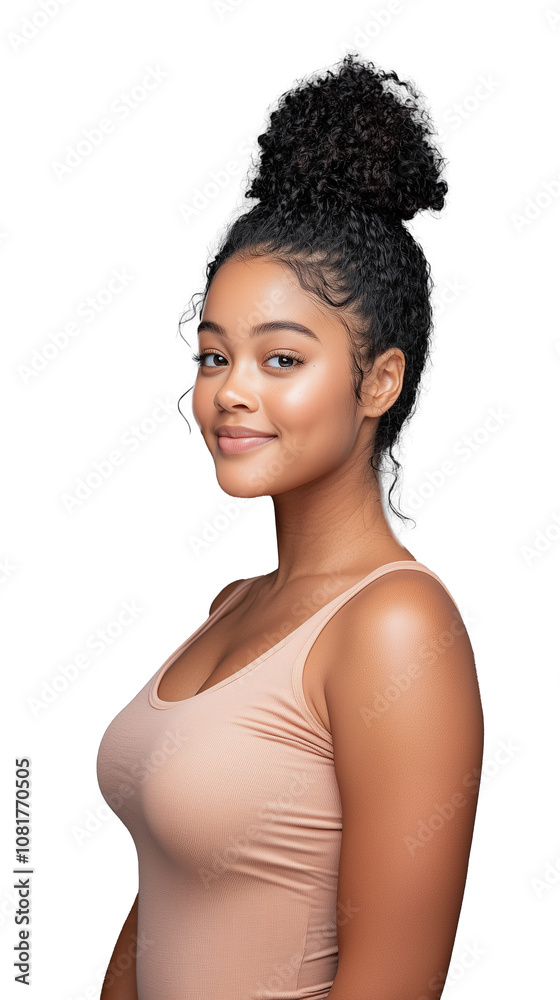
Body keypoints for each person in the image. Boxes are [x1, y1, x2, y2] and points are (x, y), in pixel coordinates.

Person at [96, 51, 484, 1000]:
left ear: (379, 382)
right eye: (214, 354)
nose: (230, 392)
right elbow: (165, 902)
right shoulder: (235, 605)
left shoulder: (395, 631)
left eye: (280, 359)